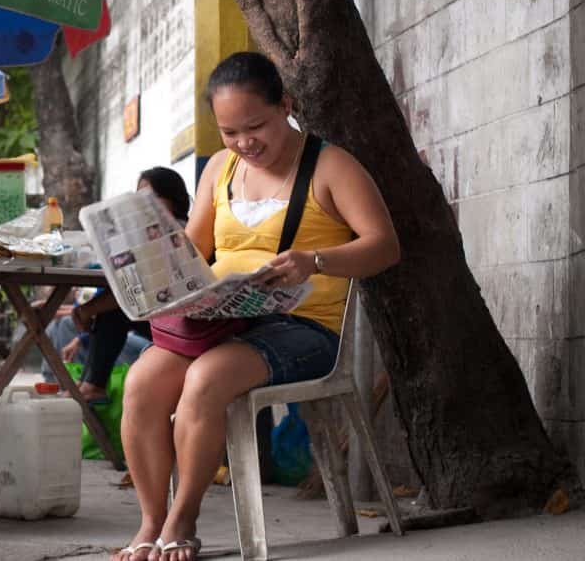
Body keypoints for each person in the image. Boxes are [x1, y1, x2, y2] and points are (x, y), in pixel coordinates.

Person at [114, 52, 400, 561]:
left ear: (285, 106)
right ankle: (152, 521)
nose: (244, 143)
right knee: (140, 383)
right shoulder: (220, 170)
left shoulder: (331, 166)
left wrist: (315, 260)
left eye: (256, 126)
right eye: (229, 132)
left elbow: (384, 246)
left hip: (305, 327)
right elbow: (196, 249)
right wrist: (151, 266)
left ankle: (185, 518)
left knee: (205, 381)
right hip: (223, 318)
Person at [62, 167, 191, 402]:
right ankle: (89, 383)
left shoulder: (183, 229)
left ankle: (92, 384)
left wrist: (88, 310)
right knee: (105, 311)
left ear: (173, 199)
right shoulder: (145, 232)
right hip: (158, 315)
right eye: (138, 196)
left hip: (185, 319)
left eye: (150, 196)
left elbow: (144, 291)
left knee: (114, 311)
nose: (142, 203)